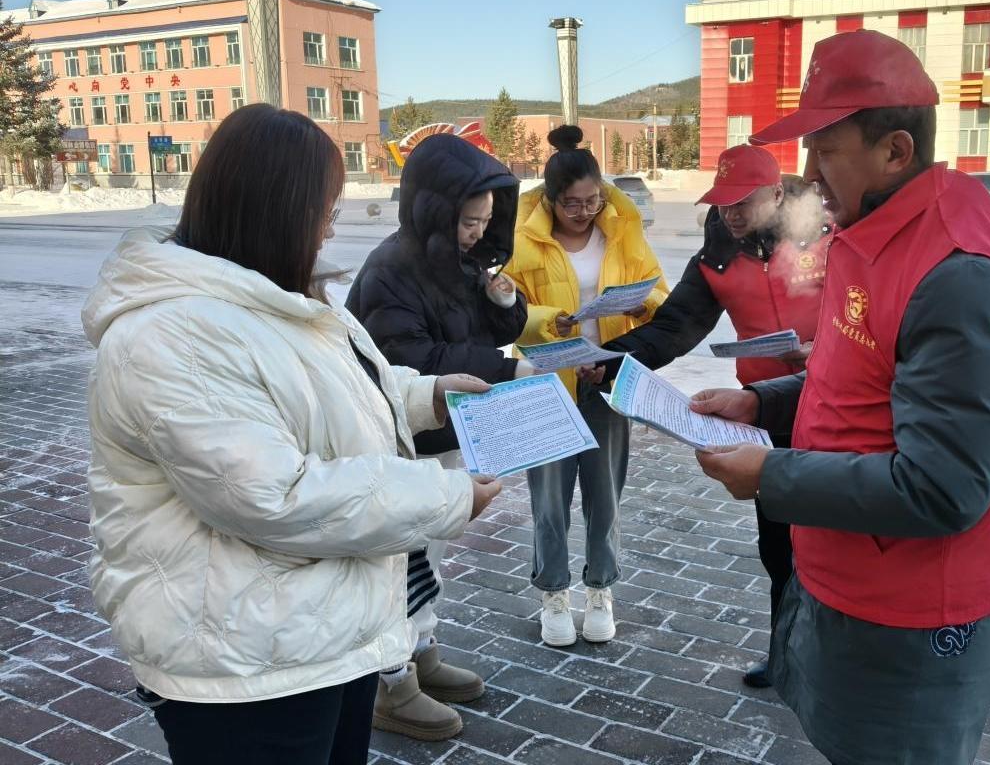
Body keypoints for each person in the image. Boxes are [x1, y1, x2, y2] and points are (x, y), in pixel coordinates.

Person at [80, 104, 501, 765]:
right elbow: (273, 494)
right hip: (241, 661)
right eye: (324, 213)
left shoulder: (279, 294)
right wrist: (446, 497)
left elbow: (332, 389)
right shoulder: (174, 332)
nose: (329, 230)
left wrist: (427, 396)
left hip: (323, 632)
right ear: (275, 212)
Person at [691, 30, 990, 764]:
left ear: (895, 151)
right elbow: (856, 374)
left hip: (910, 612)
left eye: (826, 150)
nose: (808, 174)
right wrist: (764, 406)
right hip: (845, 578)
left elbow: (945, 487)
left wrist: (772, 476)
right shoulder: (872, 229)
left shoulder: (959, 276)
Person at [602, 143, 829, 687]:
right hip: (765, 412)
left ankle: (833, 660)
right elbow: (673, 327)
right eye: (723, 202)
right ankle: (784, 655)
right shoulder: (716, 256)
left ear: (777, 194)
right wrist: (608, 361)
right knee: (778, 544)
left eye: (743, 201)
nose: (731, 213)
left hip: (833, 404)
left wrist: (825, 351)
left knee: (833, 540)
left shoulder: (828, 236)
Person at [345, 132, 530, 739]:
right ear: (434, 210)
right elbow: (411, 359)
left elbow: (479, 332)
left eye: (485, 221)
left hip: (446, 430)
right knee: (399, 561)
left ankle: (421, 651)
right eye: (468, 221)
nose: (477, 233)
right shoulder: (392, 270)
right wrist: (504, 370)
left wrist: (503, 303)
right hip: (402, 437)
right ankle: (390, 683)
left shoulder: (458, 262)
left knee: (430, 552)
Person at [503, 125, 668, 647]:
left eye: (592, 201)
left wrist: (642, 305)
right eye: (571, 204)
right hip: (543, 382)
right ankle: (553, 592)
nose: (583, 212)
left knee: (605, 494)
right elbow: (506, 313)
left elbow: (659, 295)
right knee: (549, 498)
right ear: (550, 200)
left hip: (605, 378)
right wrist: (549, 321)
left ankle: (601, 588)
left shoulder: (622, 232)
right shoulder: (521, 240)